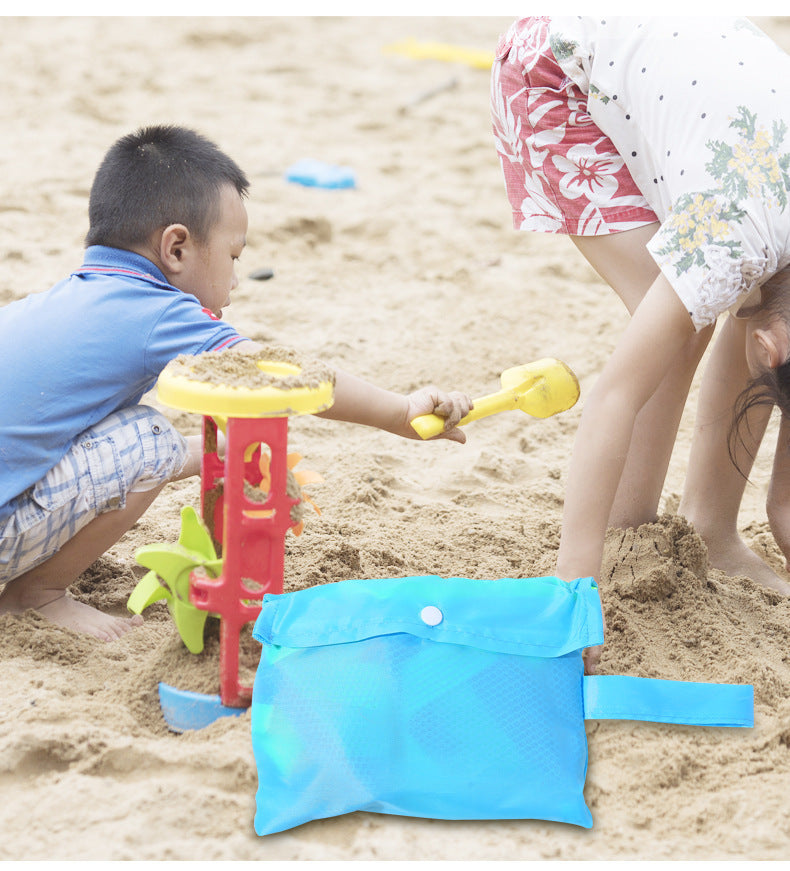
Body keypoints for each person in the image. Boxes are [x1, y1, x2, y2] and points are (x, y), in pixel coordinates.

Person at [0, 125, 473, 642]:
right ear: (176, 248)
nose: (235, 279)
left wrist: (219, 451)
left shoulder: (63, 301)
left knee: (136, 436)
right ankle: (36, 594)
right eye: (233, 256)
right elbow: (282, 376)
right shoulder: (156, 310)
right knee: (147, 436)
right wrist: (399, 412)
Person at [490, 16, 790, 670]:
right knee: (676, 329)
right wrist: (577, 583)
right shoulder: (732, 243)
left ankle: (710, 526)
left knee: (716, 301)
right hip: (553, 70)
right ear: (773, 350)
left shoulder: (764, 273)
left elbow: (786, 504)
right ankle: (624, 543)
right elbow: (614, 397)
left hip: (680, 55)